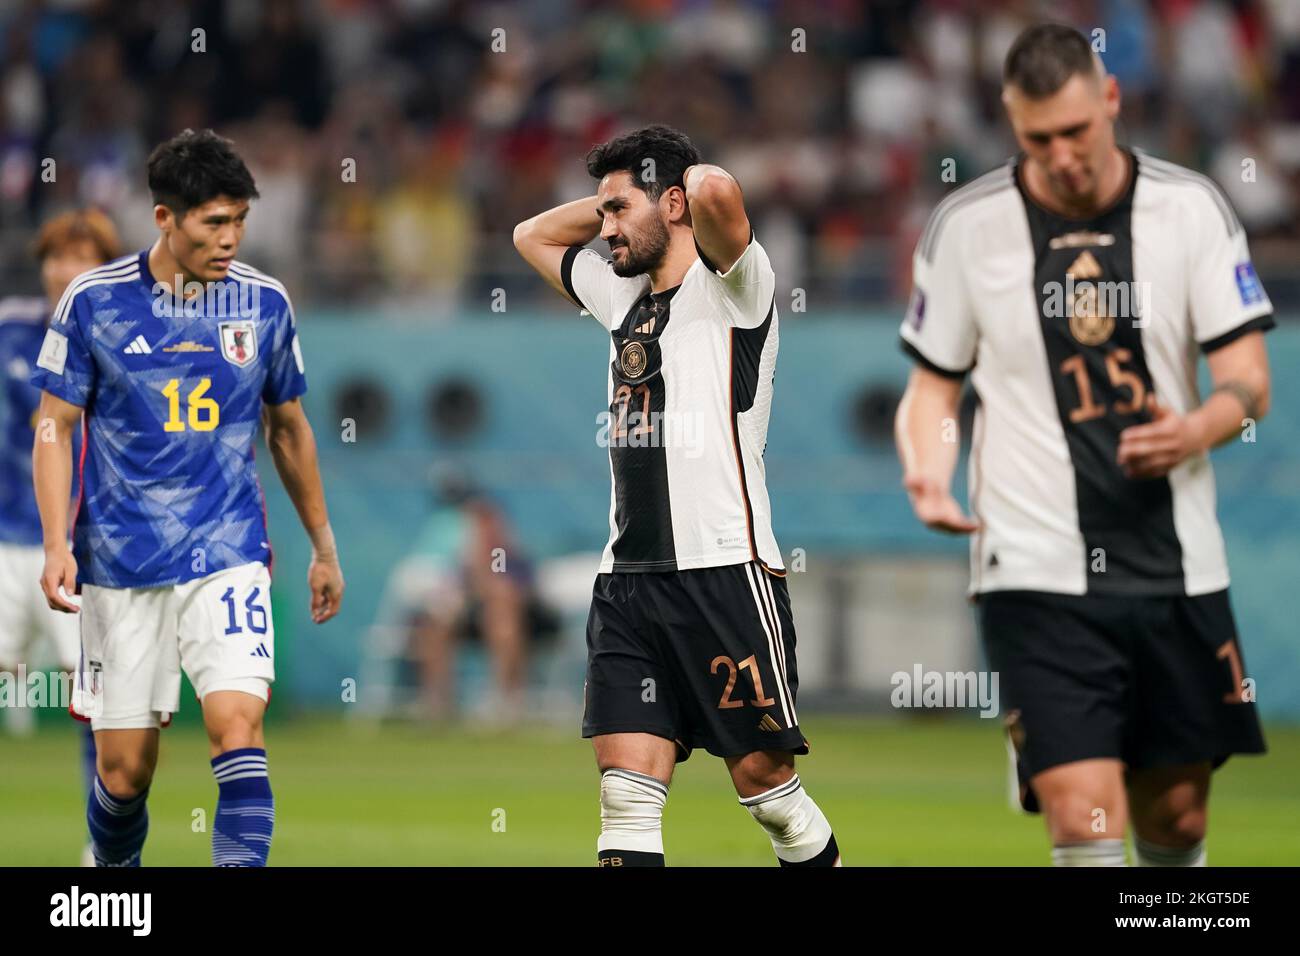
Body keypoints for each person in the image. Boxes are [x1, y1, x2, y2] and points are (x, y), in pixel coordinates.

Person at [894, 23, 1270, 867]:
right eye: (1038, 138)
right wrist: (927, 469)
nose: (1062, 154)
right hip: (1031, 568)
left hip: (1178, 564)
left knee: (1177, 816)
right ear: (1010, 123)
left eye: (1076, 131)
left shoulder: (1190, 208)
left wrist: (1196, 428)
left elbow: (1249, 379)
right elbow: (933, 387)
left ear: (1111, 100)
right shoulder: (966, 226)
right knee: (1082, 810)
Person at [514, 124, 839, 866]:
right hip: (628, 583)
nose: (607, 230)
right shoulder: (618, 295)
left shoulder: (738, 289)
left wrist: (674, 190)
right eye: (603, 215)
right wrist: (616, 203)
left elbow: (716, 189)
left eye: (622, 211)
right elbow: (529, 234)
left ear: (671, 204)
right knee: (627, 794)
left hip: (726, 573)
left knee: (770, 794)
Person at [30, 128, 344, 867]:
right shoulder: (94, 301)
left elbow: (289, 428)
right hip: (120, 563)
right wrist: (54, 544)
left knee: (237, 725)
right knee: (124, 774)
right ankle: (114, 883)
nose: (230, 238)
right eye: (214, 222)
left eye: (239, 220)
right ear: (165, 218)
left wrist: (324, 543)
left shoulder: (263, 303)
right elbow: (55, 426)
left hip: (228, 552)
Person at [0, 208, 121, 864]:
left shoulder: (128, 338)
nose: (64, 270)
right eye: (55, 256)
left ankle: (102, 850)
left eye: (81, 257)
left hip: (85, 551)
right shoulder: (10, 329)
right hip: (4, 540)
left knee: (96, 701)